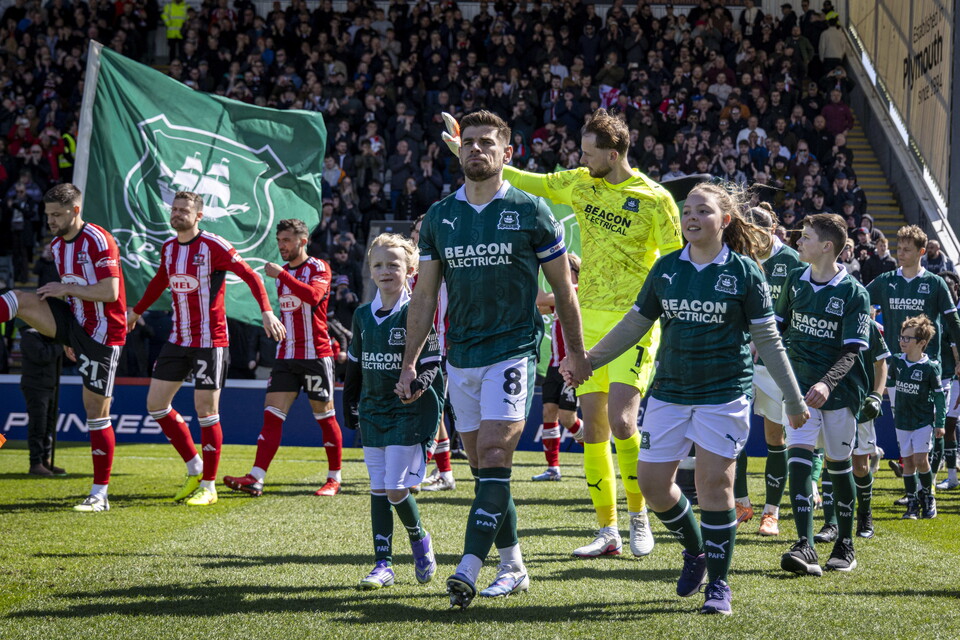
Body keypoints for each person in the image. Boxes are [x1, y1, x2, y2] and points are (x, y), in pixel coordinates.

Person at [446, 108, 683, 559]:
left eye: (589, 153)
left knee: (622, 421)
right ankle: (608, 530)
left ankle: (639, 517)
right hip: (587, 320)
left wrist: (668, 314)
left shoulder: (654, 199)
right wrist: (465, 147)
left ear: (613, 155)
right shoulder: (578, 181)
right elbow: (524, 178)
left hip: (634, 321)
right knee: (594, 429)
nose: (582, 159)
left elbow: (673, 261)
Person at [565, 182, 808, 615]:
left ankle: (718, 585)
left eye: (702, 210)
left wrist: (792, 398)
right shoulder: (664, 269)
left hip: (724, 394)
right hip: (671, 393)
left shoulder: (746, 272)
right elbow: (634, 325)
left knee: (716, 486)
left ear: (725, 221)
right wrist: (588, 358)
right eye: (687, 211)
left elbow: (769, 340)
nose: (691, 217)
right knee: (655, 486)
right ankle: (696, 549)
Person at [399, 110, 590, 609]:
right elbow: (422, 299)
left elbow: (564, 293)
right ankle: (514, 566)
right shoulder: (440, 217)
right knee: (484, 466)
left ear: (509, 154)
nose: (477, 150)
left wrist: (577, 355)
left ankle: (467, 567)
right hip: (460, 355)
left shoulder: (531, 210)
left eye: (488, 143)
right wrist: (408, 363)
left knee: (497, 454)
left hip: (513, 350)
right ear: (458, 152)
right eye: (470, 143)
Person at [126, 191, 285, 506]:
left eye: (184, 209)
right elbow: (161, 280)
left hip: (210, 341)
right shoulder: (170, 248)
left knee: (206, 412)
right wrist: (137, 310)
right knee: (156, 405)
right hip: (178, 339)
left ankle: (209, 487)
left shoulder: (214, 246)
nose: (178, 213)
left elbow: (250, 276)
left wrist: (266, 310)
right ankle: (194, 467)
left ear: (199, 215)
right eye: (174, 208)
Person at [0, 183, 126, 511]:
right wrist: (67, 336)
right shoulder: (57, 246)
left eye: (57, 215)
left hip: (103, 335)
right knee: (18, 299)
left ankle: (100, 495)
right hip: (75, 324)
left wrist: (66, 288)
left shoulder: (99, 240)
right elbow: (72, 292)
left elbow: (110, 292)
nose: (51, 221)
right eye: (48, 215)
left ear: (76, 210)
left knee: (96, 413)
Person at [776, 213, 871, 576]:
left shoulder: (853, 292)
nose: (799, 242)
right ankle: (805, 545)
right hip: (800, 387)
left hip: (841, 390)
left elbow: (851, 351)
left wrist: (827, 383)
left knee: (837, 465)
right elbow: (778, 328)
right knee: (798, 458)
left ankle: (844, 543)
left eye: (806, 237)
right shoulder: (794, 280)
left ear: (827, 246)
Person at [346, 233, 443, 589]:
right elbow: (354, 366)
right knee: (378, 488)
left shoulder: (417, 310)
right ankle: (382, 564)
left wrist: (416, 386)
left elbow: (433, 362)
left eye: (393, 264)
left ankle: (420, 541)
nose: (385, 271)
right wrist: (350, 406)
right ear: (370, 270)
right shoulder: (361, 315)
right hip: (373, 412)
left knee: (396, 488)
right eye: (378, 265)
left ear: (411, 269)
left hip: (407, 412)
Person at [222, 219, 343, 498]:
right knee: (272, 417)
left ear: (303, 240)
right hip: (286, 355)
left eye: (286, 241)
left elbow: (314, 297)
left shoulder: (318, 267)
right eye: (279, 242)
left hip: (316, 355)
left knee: (324, 417)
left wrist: (283, 276)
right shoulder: (284, 272)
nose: (282, 247)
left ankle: (334, 478)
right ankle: (256, 477)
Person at [732, 203, 804, 537]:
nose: (748, 242)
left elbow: (798, 312)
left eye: (753, 235)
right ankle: (741, 504)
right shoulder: (740, 258)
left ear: (769, 230)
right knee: (735, 434)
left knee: (775, 436)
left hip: (777, 362)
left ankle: (771, 513)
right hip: (742, 360)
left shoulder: (792, 261)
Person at [408, 213, 456, 493]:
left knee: (432, 409)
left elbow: (449, 310)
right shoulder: (407, 268)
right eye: (415, 231)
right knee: (428, 410)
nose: (418, 235)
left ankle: (431, 470)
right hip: (411, 346)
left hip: (437, 348)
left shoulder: (444, 266)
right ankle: (442, 471)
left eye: (423, 231)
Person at [533, 252, 586, 481]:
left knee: (567, 417)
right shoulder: (560, 299)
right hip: (555, 366)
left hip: (571, 366)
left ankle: (594, 448)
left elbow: (540, 300)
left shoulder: (573, 292)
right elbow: (539, 307)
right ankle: (553, 468)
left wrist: (531, 268)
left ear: (572, 272)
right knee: (548, 413)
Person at [888, 315, 945, 520]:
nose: (903, 341)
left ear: (921, 343)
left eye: (908, 338)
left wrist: (940, 423)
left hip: (923, 420)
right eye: (901, 337)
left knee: (922, 459)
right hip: (903, 420)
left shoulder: (930, 367)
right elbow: (891, 385)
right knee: (909, 462)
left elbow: (939, 397)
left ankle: (929, 497)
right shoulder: (896, 361)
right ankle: (912, 504)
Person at [848, 312, 890, 539]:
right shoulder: (829, 318)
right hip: (830, 402)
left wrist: (876, 395)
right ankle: (831, 522)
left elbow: (881, 362)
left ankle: (865, 514)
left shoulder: (869, 326)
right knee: (831, 462)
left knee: (860, 466)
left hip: (860, 405)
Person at [19, 326, 64, 476]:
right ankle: (35, 463)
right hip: (36, 386)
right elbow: (42, 356)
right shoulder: (29, 336)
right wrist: (60, 345)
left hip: (50, 386)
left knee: (48, 425)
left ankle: (45, 460)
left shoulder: (48, 337)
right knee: (38, 425)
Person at [936, 270, 960, 491]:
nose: (947, 288)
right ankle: (950, 476)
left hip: (954, 377)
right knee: (946, 425)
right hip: (942, 376)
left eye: (950, 285)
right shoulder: (936, 311)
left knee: (947, 424)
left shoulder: (955, 315)